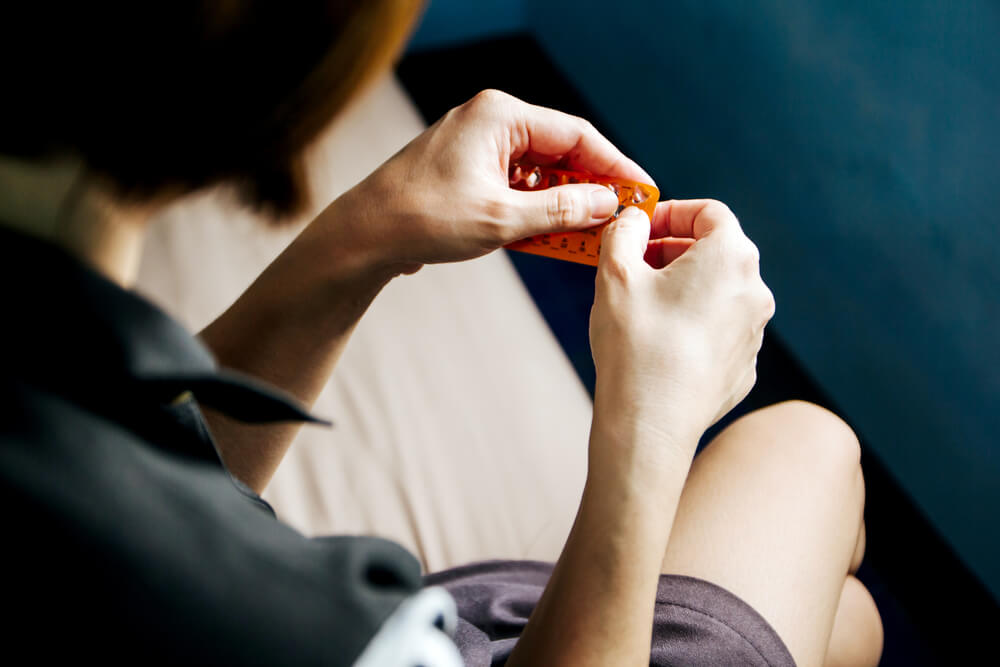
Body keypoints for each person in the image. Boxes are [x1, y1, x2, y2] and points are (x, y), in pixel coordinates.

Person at [0, 2, 883, 666]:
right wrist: (648, 426)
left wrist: (367, 232)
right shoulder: (291, 623)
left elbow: (158, 466)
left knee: (848, 620)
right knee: (813, 449)